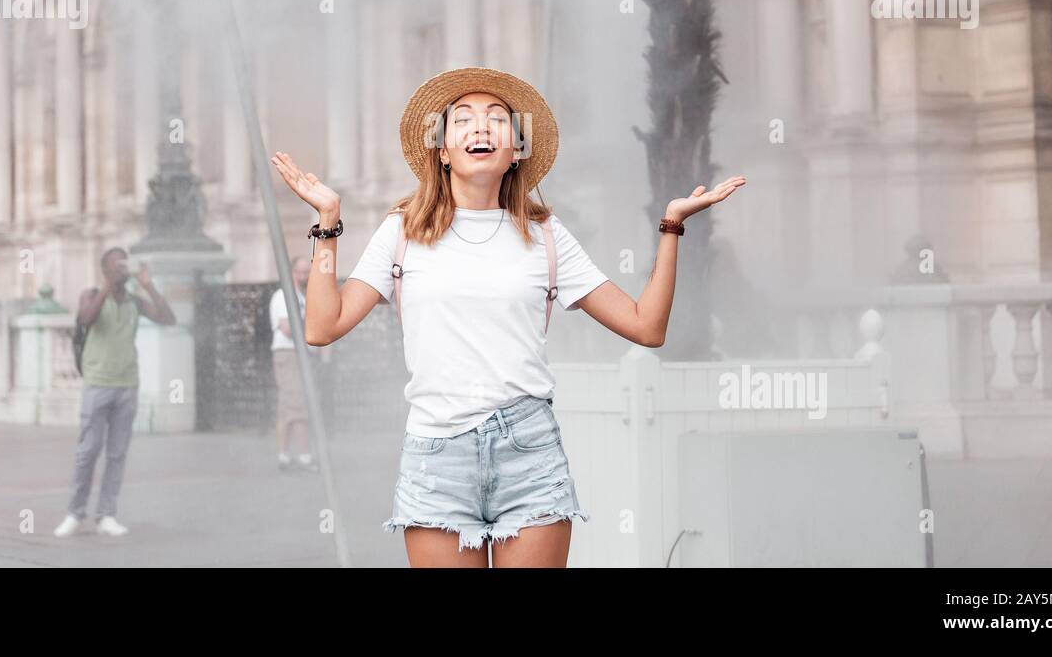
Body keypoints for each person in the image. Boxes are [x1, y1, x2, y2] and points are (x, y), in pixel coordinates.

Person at [271, 66, 745, 568]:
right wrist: (327, 224)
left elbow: (646, 326)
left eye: (497, 119)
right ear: (442, 148)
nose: (481, 127)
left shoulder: (545, 235)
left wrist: (671, 225)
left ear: (516, 149)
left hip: (529, 453)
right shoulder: (402, 233)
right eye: (464, 120)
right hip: (437, 457)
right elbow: (323, 327)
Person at [54, 247, 175, 538]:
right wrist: (108, 286)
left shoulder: (135, 300)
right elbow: (85, 318)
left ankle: (106, 514)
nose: (123, 269)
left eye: (125, 264)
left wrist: (149, 286)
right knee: (88, 451)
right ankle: (75, 512)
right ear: (105, 270)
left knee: (117, 454)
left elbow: (168, 318)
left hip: (127, 384)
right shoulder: (92, 294)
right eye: (117, 265)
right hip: (98, 383)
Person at [268, 255, 333, 473]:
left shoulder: (306, 297)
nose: (305, 276)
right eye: (301, 272)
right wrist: (310, 330)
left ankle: (284, 455)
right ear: (292, 273)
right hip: (290, 354)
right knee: (298, 403)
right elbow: (287, 328)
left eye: (308, 272)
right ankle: (304, 456)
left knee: (288, 405)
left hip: (304, 355)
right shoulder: (283, 296)